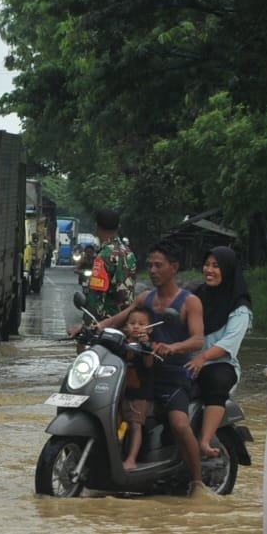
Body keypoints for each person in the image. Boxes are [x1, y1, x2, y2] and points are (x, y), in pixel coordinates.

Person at [97, 239, 210, 494]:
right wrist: (95, 328)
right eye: (150, 266)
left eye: (159, 265)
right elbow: (120, 318)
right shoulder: (145, 299)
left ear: (174, 267)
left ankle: (197, 482)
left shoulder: (189, 302)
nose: (154, 271)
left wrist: (173, 348)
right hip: (141, 373)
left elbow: (198, 339)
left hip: (173, 377)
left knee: (180, 424)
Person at [187, 246, 253, 458]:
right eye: (207, 264)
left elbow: (229, 344)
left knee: (214, 381)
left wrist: (203, 358)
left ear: (228, 269)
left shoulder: (240, 307)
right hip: (190, 361)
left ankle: (205, 441)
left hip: (220, 363)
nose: (210, 270)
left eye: (216, 266)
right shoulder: (196, 295)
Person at [82, 208, 138, 320]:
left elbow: (96, 296)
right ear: (119, 227)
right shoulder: (129, 254)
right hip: (128, 320)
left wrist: (87, 325)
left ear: (96, 226)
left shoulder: (102, 257)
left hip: (108, 323)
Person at [119, 305, 156, 470]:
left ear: (150, 328)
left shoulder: (149, 346)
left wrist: (146, 346)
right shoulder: (120, 343)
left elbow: (149, 363)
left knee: (135, 425)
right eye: (132, 323)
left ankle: (132, 458)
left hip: (139, 394)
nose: (136, 326)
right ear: (126, 325)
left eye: (141, 324)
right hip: (118, 393)